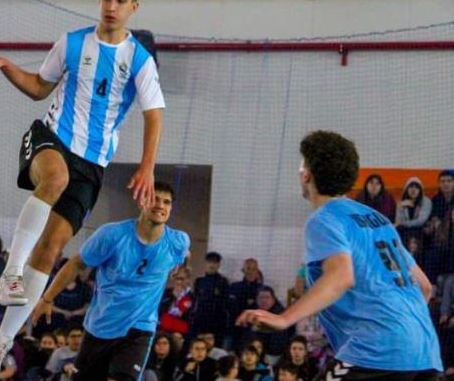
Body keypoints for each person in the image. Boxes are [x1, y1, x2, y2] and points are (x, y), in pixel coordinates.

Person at [0, 0, 164, 372]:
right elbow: (39, 87)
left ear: (133, 7)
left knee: (52, 248)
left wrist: (147, 167)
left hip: (92, 163)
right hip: (51, 139)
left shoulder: (139, 59)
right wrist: (4, 66)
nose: (111, 6)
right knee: (55, 178)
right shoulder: (72, 43)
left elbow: (154, 115)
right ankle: (11, 272)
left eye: (120, 0)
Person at [237, 130, 442, 378]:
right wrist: (402, 328)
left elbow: (341, 277)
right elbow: (424, 287)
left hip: (376, 351)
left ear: (307, 175)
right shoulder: (378, 219)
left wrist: (284, 319)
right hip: (424, 351)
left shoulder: (323, 219)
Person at [30, 182, 188, 381]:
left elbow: (184, 254)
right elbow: (77, 264)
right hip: (99, 327)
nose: (161, 205)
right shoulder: (112, 235)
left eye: (167, 202)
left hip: (138, 329)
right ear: (142, 201)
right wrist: (47, 299)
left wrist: (180, 267)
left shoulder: (177, 241)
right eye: (155, 199)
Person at [191, 251, 229, 342]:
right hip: (200, 320)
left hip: (216, 322)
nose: (212, 265)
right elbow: (195, 300)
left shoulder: (223, 282)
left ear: (219, 265)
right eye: (209, 262)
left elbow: (224, 303)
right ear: (205, 263)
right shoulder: (199, 281)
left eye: (215, 262)